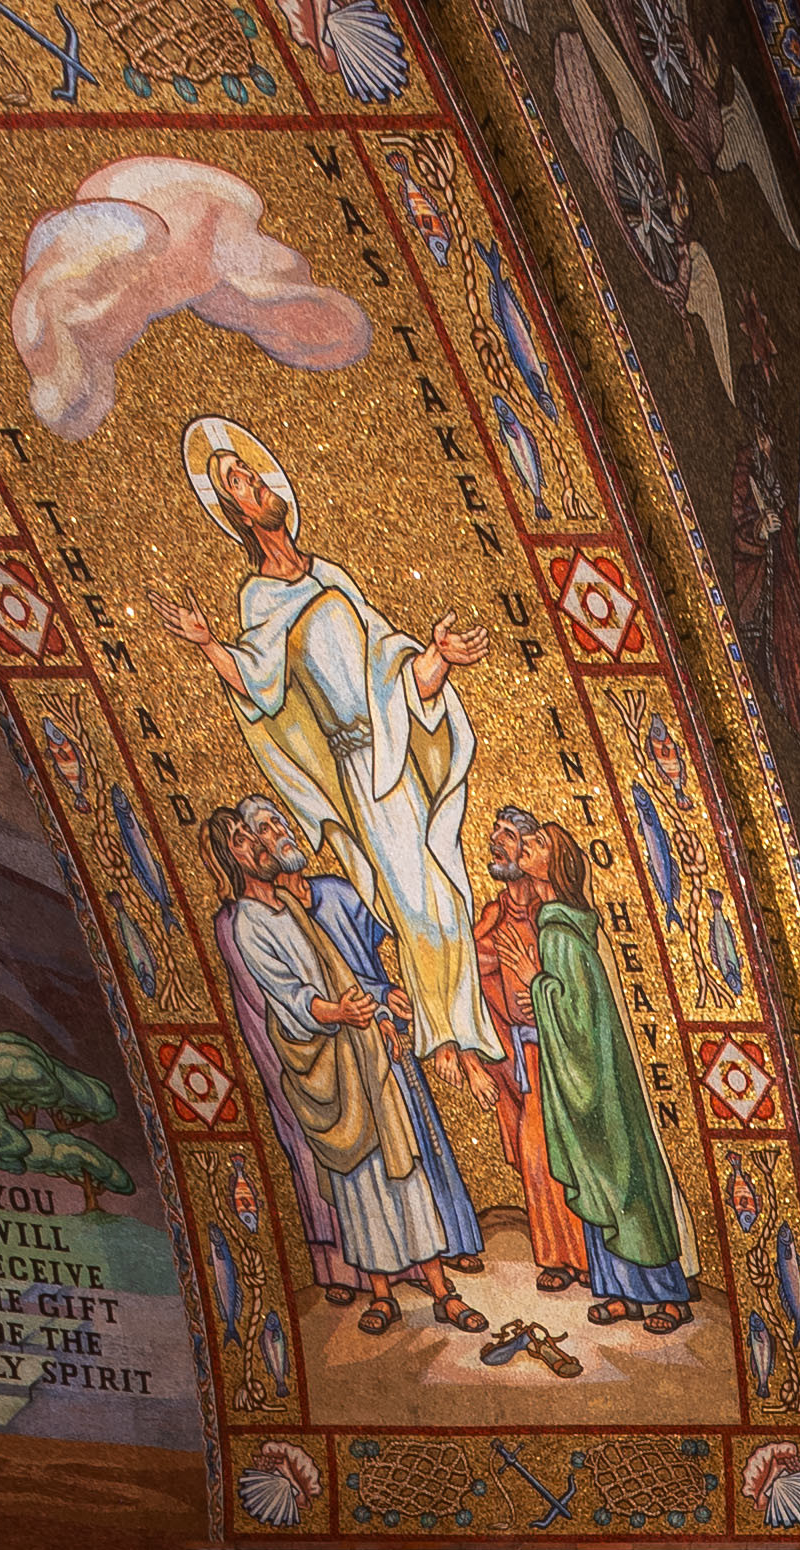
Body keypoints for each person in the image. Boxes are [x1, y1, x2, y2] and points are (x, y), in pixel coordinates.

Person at [161, 416, 498, 1070]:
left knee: (450, 895)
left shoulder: (330, 574)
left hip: (396, 739)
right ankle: (442, 1041)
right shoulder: (260, 596)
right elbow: (258, 685)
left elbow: (390, 668)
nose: (255, 483)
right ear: (235, 511)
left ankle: (468, 1031)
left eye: (253, 474)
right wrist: (208, 644)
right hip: (358, 765)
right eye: (239, 482)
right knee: (413, 903)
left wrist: (441, 658)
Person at [212, 796, 487, 1341]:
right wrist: (335, 1012)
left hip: (359, 1049)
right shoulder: (247, 923)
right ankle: (381, 1294)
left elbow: (343, 967)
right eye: (244, 839)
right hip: (323, 1064)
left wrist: (376, 1006)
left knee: (399, 1167)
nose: (259, 844)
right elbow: (287, 995)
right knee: (357, 1183)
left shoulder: (292, 906)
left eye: (258, 834)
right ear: (231, 858)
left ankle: (441, 1293)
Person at [479, 806, 691, 1334]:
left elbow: (577, 1014)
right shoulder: (550, 922)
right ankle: (620, 1291)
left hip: (597, 1084)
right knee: (598, 1184)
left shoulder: (561, 931)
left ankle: (668, 1297)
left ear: (558, 862)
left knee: (624, 1183)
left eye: (535, 843)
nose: (523, 849)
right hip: (573, 1079)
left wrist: (535, 983)